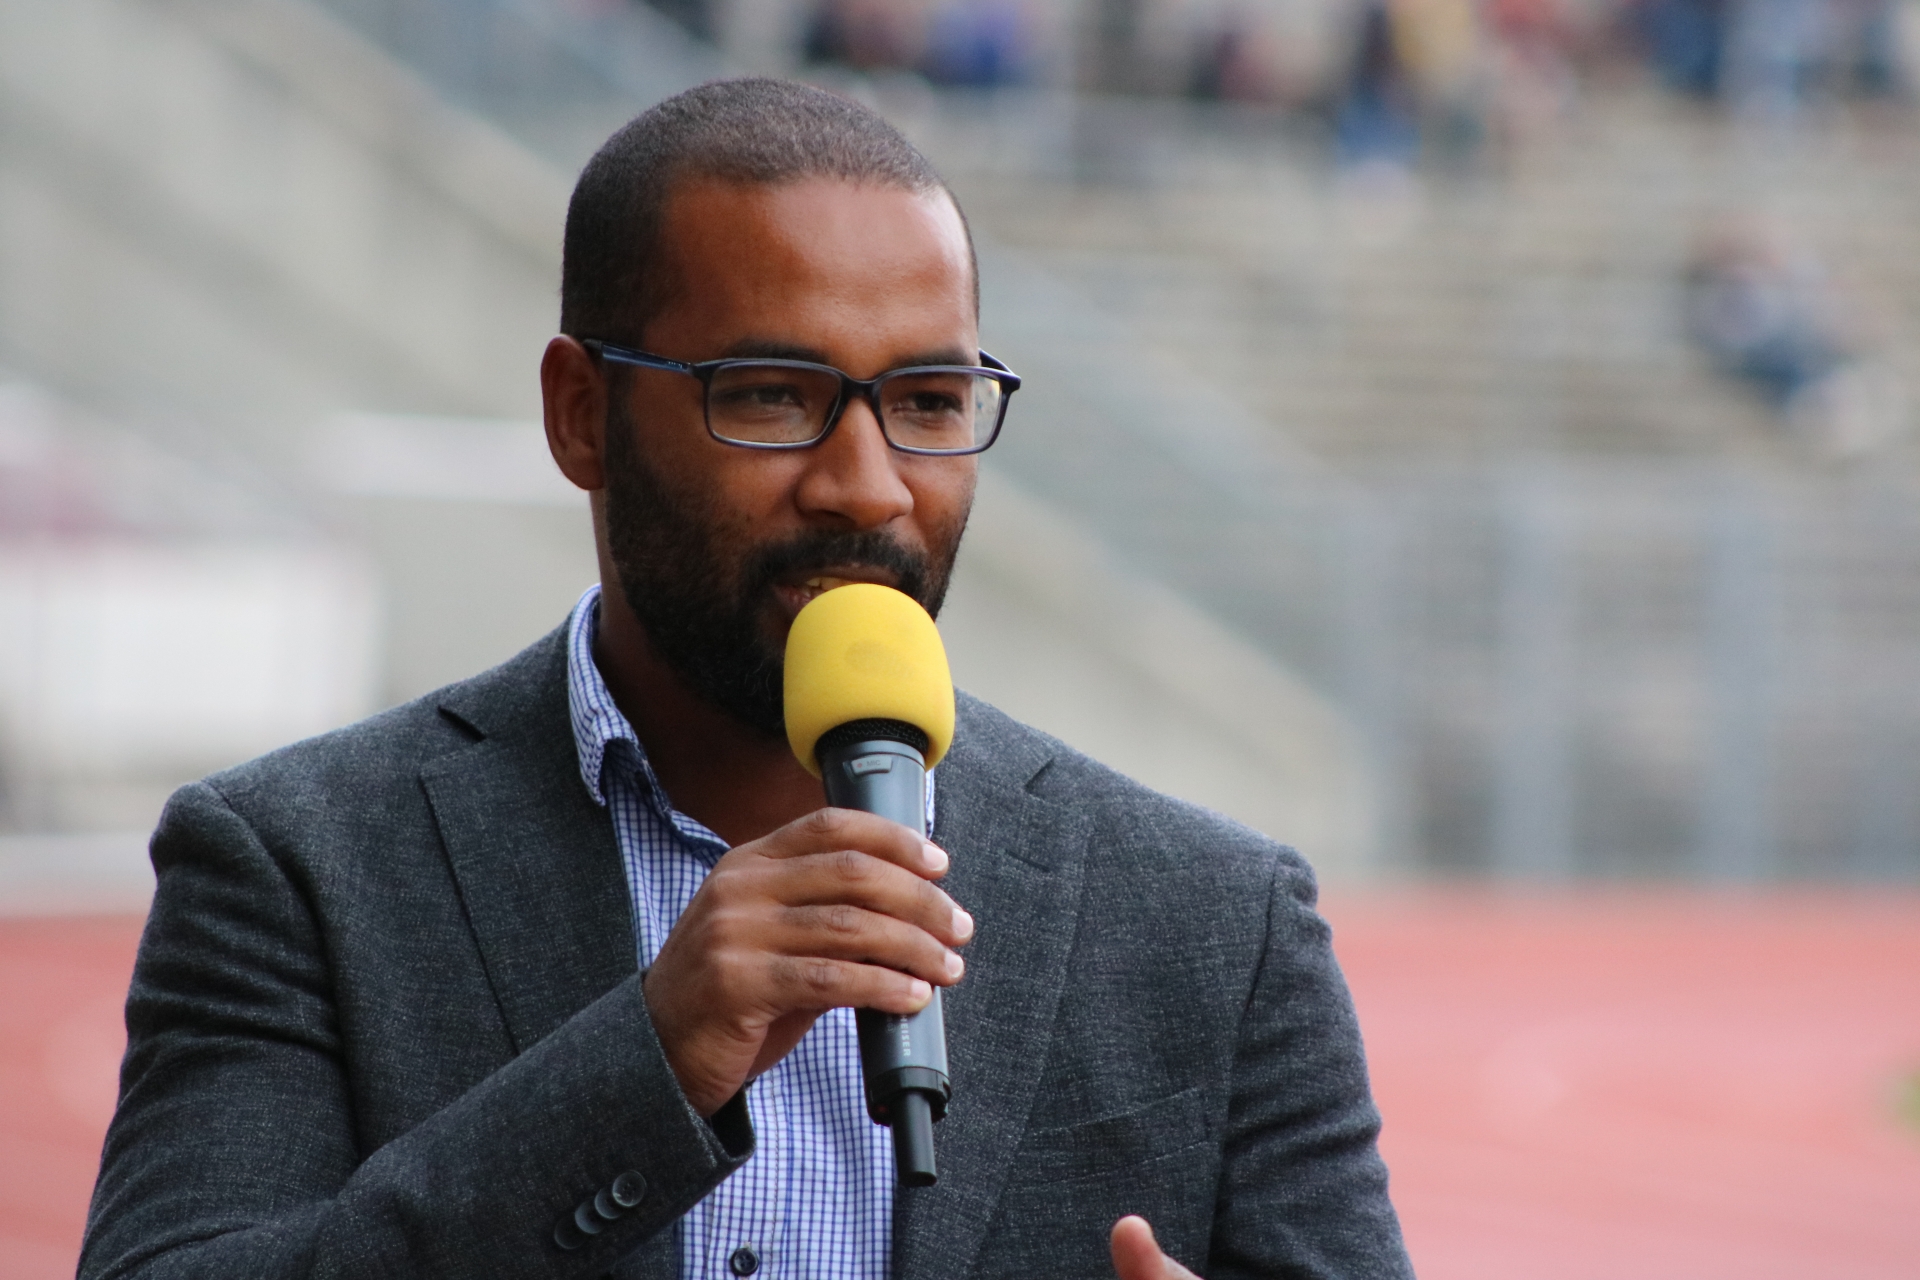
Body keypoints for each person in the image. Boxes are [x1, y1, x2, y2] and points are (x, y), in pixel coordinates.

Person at [79, 78, 1411, 1280]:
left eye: (930, 403)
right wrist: (650, 1057)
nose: (868, 487)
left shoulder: (1216, 924)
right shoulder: (296, 866)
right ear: (582, 414)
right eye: (772, 395)